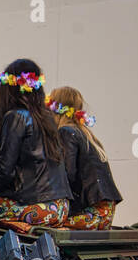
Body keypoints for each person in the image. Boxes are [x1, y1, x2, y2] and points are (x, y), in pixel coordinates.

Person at [0, 58, 71, 230]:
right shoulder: (48, 118)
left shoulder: (16, 117)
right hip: (60, 209)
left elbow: (4, 172)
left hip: (38, 208)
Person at [47, 86, 123, 229]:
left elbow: (67, 176)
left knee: (46, 224)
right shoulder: (86, 134)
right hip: (105, 212)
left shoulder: (66, 132)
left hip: (93, 213)